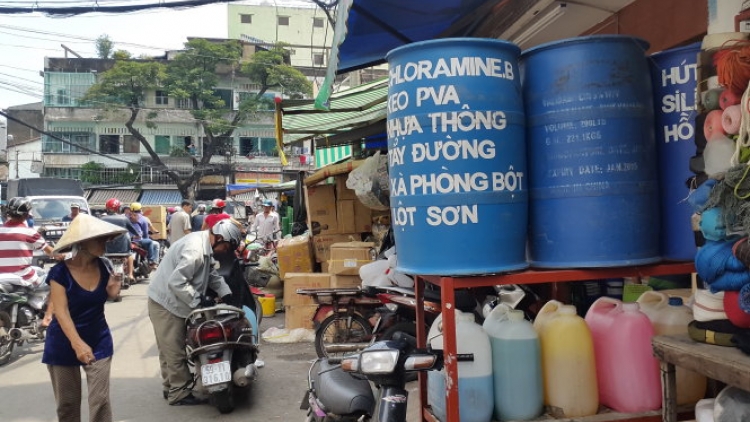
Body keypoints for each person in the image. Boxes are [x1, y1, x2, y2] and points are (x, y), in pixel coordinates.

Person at [147, 219, 242, 406]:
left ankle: (170, 387)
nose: (226, 252)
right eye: (226, 247)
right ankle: (178, 394)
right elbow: (177, 282)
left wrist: (226, 293)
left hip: (174, 300)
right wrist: (198, 300)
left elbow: (211, 274)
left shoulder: (204, 244)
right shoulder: (195, 250)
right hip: (166, 303)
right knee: (174, 351)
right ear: (219, 238)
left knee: (168, 349)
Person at [42, 213, 127, 422]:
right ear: (82, 242)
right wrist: (78, 344)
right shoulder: (59, 273)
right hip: (63, 342)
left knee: (100, 401)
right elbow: (60, 312)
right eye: (99, 239)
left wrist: (114, 288)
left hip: (99, 339)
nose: (105, 244)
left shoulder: (105, 266)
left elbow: (109, 295)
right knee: (67, 405)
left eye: (105, 239)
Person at [0, 197, 59, 287]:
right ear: (26, 215)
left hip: (2, 279)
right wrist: (63, 255)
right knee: (54, 284)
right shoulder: (30, 233)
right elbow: (51, 252)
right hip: (25, 279)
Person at [99, 198, 138, 283]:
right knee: (130, 255)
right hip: (123, 250)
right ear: (118, 208)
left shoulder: (102, 219)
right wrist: (138, 235)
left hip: (107, 250)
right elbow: (132, 230)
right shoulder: (124, 218)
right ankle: (130, 274)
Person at [128, 202, 160, 269]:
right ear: (140, 209)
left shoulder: (126, 217)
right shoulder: (143, 219)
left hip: (127, 240)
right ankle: (152, 262)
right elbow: (145, 233)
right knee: (153, 243)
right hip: (138, 241)